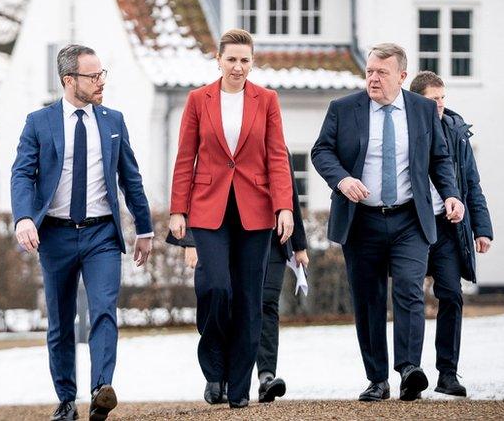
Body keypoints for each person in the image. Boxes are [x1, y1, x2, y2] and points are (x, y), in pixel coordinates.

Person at [311, 43, 464, 402]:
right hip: (361, 220)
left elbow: (439, 158)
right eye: (369, 71)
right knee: (369, 299)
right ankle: (377, 379)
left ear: (402, 76)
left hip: (409, 218)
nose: (374, 78)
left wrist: (452, 194)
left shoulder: (424, 110)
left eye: (382, 72)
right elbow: (321, 151)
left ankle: (409, 369)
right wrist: (342, 179)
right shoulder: (344, 108)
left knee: (410, 290)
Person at [11, 44, 154, 421]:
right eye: (93, 76)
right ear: (69, 80)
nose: (101, 81)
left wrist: (145, 228)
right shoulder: (38, 123)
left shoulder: (113, 121)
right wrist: (24, 217)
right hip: (54, 236)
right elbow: (22, 174)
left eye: (102, 73)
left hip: (101, 236)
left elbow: (130, 178)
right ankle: (65, 400)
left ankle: (100, 390)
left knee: (103, 310)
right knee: (60, 321)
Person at [169, 28, 294, 409]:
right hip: (208, 209)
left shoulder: (267, 100)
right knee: (216, 288)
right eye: (231, 59)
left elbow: (277, 156)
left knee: (248, 299)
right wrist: (178, 209)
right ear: (218, 60)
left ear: (252, 62)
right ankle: (215, 371)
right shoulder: (198, 99)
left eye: (245, 60)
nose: (238, 67)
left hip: (256, 210)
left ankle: (238, 388)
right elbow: (185, 156)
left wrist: (284, 206)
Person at [169, 162, 308, 403]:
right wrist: (191, 241)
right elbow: (197, 178)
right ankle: (221, 374)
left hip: (273, 237)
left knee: (265, 304)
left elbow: (289, 191)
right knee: (228, 301)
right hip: (228, 233)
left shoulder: (272, 135)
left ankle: (266, 376)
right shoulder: (219, 131)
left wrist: (299, 245)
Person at [409, 71, 494, 397]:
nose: (441, 105)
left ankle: (448, 373)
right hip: (413, 225)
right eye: (434, 99)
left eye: (443, 98)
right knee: (411, 298)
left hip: (447, 228)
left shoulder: (457, 133)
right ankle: (410, 373)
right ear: (418, 100)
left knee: (452, 295)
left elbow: (472, 183)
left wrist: (482, 229)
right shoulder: (405, 128)